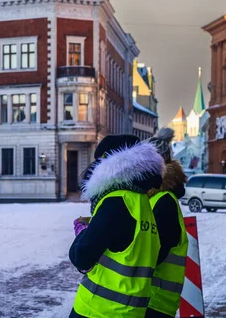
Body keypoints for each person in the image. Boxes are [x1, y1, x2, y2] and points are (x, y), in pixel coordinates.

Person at [69, 135, 164, 318]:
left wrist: (83, 231)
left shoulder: (116, 201)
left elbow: (82, 256)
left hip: (97, 310)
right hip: (131, 311)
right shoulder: (141, 202)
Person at [146, 128, 189, 318]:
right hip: (150, 298)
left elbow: (155, 253)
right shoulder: (154, 197)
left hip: (155, 302)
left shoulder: (164, 201)